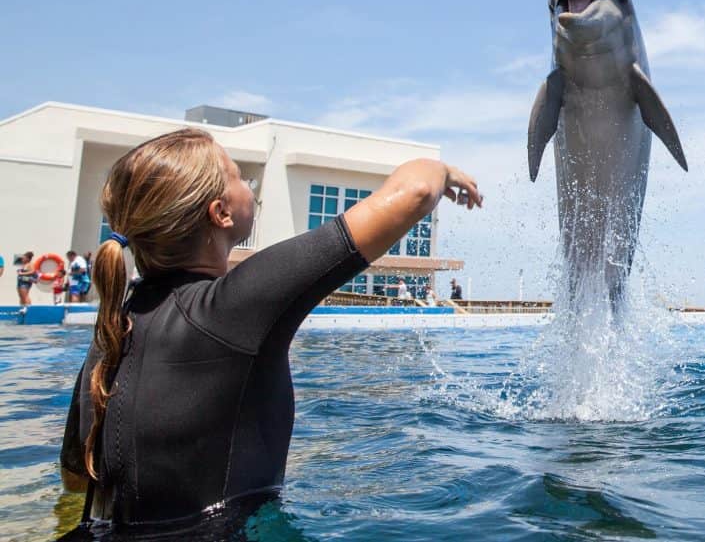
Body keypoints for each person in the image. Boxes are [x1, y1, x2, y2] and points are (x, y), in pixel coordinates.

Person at [58, 128, 482, 535]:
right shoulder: (233, 307)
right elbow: (415, 194)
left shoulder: (112, 329)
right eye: (239, 176)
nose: (250, 185)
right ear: (220, 213)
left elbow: (76, 480)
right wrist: (442, 170)